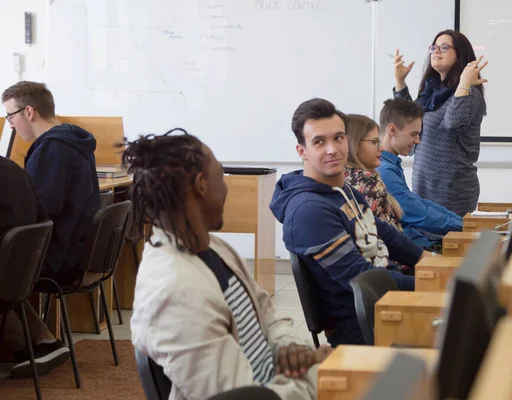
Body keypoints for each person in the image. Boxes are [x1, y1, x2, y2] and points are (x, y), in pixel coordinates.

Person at [126, 129, 329, 400]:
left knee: (399, 379)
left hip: (282, 385)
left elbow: (266, 312)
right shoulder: (175, 293)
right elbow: (241, 396)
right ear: (201, 185)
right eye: (221, 176)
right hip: (280, 393)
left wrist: (288, 347)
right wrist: (321, 373)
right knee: (395, 382)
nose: (226, 187)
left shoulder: (211, 248)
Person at [270, 98, 424, 347]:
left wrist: (426, 261)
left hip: (383, 306)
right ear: (302, 151)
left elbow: (383, 232)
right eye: (319, 142)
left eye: (339, 138)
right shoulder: (309, 211)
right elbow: (364, 280)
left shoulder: (342, 190)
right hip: (364, 325)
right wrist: (434, 284)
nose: (333, 149)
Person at [0, 111, 70, 378]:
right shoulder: (13, 169)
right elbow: (43, 217)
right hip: (21, 274)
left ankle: (26, 345)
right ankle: (43, 340)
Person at [2, 81, 101, 284]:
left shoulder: (52, 149)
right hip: (74, 250)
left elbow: (38, 212)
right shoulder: (72, 139)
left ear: (28, 112)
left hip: (56, 258)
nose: (11, 125)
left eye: (11, 116)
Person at [393, 29, 488, 217]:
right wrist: (400, 82)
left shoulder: (469, 92)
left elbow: (453, 122)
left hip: (453, 188)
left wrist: (464, 84)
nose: (436, 51)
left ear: (460, 54)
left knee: (447, 243)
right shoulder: (432, 90)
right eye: (434, 47)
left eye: (444, 47)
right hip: (424, 182)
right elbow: (410, 122)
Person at [343, 113, 433, 253]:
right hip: (395, 265)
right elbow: (390, 241)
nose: (381, 148)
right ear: (354, 144)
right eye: (374, 142)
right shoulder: (368, 182)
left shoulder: (345, 177)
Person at [377, 98, 463, 239]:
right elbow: (418, 213)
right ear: (392, 129)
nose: (418, 140)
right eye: (414, 134)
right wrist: (464, 227)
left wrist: (465, 222)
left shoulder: (390, 165)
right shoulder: (385, 171)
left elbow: (418, 202)